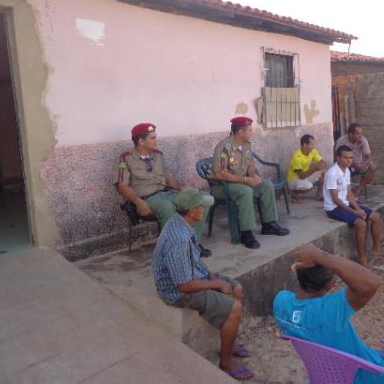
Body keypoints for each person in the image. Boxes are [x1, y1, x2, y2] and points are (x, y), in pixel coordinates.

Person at [273, 244, 384, 384]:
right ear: (329, 285)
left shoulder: (280, 301)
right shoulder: (330, 309)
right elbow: (372, 282)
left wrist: (317, 257)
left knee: (380, 353)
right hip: (368, 376)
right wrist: (320, 256)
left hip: (326, 375)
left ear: (298, 273)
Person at [151, 190, 254, 381]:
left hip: (191, 277)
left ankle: (228, 342)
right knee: (235, 307)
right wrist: (215, 283)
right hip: (175, 291)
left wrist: (210, 275)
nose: (204, 209)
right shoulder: (178, 240)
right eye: (202, 207)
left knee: (236, 288)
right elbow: (183, 285)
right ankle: (226, 362)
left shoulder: (182, 222)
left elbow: (194, 259)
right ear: (192, 211)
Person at [114, 123, 212, 256]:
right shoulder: (125, 158)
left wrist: (184, 188)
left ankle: (193, 243)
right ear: (141, 141)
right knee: (167, 207)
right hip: (147, 199)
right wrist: (138, 202)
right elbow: (122, 186)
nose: (156, 140)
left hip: (167, 193)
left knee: (203, 198)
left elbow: (169, 179)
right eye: (152, 138)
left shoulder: (158, 155)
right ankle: (173, 250)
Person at [211, 116, 289, 249]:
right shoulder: (224, 148)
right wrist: (246, 180)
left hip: (241, 182)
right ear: (240, 132)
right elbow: (221, 174)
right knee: (246, 191)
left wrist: (254, 176)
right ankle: (246, 233)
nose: (251, 133)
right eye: (250, 130)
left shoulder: (246, 145)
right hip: (223, 186)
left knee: (266, 185)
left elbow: (250, 165)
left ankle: (268, 224)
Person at [324, 145, 384, 272]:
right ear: (337, 158)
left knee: (376, 216)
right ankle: (362, 258)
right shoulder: (332, 173)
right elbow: (335, 199)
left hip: (345, 203)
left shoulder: (347, 170)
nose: (349, 160)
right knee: (361, 223)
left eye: (350, 157)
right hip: (333, 208)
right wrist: (355, 212)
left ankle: (377, 249)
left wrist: (357, 208)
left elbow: (349, 194)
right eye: (345, 157)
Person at [335, 123, 378, 199]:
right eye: (358, 134)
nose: (360, 136)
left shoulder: (362, 140)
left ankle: (359, 189)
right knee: (340, 168)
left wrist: (365, 163)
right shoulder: (341, 141)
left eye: (361, 133)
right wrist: (353, 164)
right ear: (350, 134)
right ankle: (346, 190)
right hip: (346, 164)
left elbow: (369, 156)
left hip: (359, 164)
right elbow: (338, 158)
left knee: (373, 167)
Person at [286, 134, 326, 202]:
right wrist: (314, 168)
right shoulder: (297, 157)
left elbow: (323, 162)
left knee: (322, 172)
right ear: (305, 145)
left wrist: (322, 165)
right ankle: (294, 193)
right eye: (311, 144)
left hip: (306, 176)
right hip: (293, 179)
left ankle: (319, 196)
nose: (313, 147)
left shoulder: (312, 151)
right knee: (309, 187)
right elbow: (301, 176)